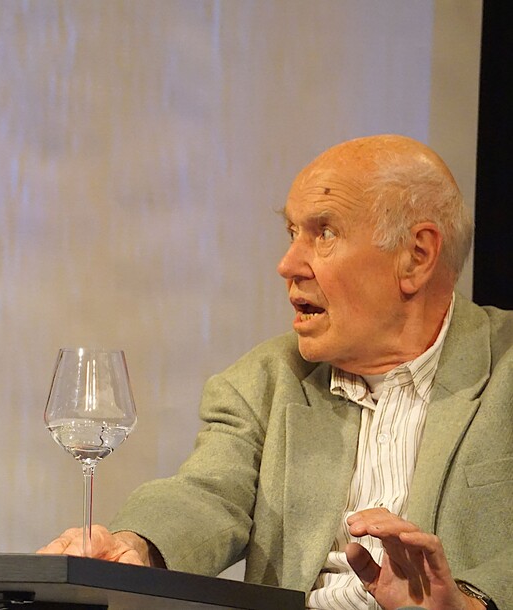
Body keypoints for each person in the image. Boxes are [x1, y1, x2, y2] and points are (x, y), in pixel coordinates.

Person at [39, 134, 510, 610]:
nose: (287, 265)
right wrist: (134, 546)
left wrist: (471, 606)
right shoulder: (266, 378)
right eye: (292, 233)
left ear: (417, 256)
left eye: (324, 233)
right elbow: (207, 495)